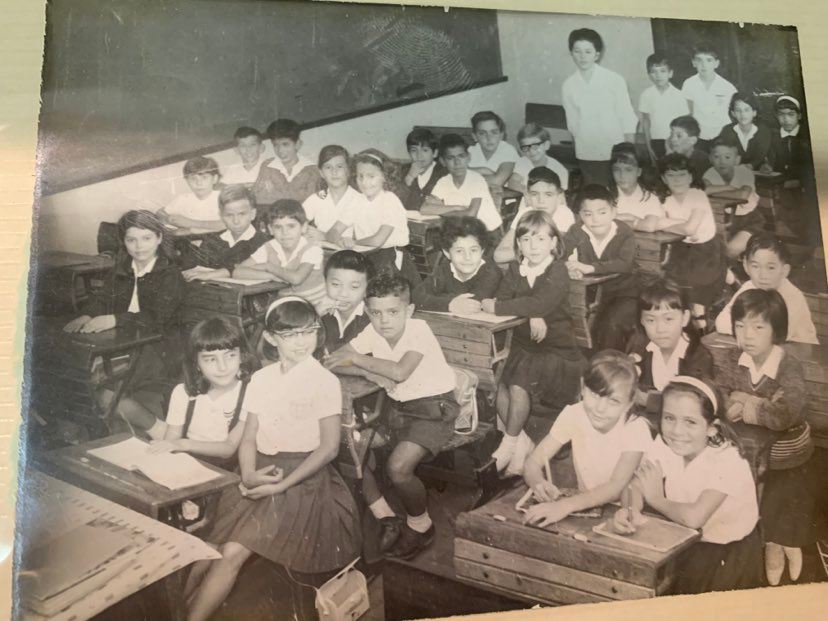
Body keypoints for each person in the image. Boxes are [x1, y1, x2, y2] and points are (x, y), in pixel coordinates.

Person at [186, 298, 361, 621]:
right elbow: (249, 435)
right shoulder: (262, 379)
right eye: (290, 335)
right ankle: (179, 611)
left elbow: (328, 449)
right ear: (270, 337)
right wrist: (249, 474)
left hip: (303, 479)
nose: (302, 342)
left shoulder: (324, 381)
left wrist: (279, 487)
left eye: (309, 332)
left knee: (231, 553)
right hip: (259, 468)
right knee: (207, 549)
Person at [325, 275, 459, 560]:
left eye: (393, 312)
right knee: (350, 447)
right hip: (396, 409)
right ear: (368, 310)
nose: (384, 321)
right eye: (375, 312)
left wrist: (360, 361)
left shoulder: (419, 330)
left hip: (434, 411)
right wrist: (367, 371)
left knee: (398, 469)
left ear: (409, 311)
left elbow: (399, 372)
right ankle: (386, 516)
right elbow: (335, 358)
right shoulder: (373, 332)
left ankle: (421, 525)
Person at [612, 376, 763, 594]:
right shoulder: (666, 444)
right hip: (687, 543)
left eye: (690, 422)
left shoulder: (727, 460)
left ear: (712, 428)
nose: (676, 431)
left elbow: (694, 517)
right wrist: (629, 510)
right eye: (669, 418)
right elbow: (635, 485)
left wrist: (655, 499)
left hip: (728, 555)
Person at [716, 289, 814, 586]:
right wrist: (753, 404)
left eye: (759, 327)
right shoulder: (732, 358)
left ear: (777, 330)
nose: (748, 335)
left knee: (784, 495)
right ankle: (764, 542)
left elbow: (785, 415)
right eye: (740, 326)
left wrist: (745, 401)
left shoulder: (788, 365)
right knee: (741, 488)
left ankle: (783, 542)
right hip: (749, 449)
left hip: (788, 452)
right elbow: (721, 399)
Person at [64, 210, 183, 440]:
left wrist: (115, 319)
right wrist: (87, 315)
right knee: (79, 376)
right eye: (131, 240)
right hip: (124, 343)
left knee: (104, 393)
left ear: (159, 238)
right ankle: (92, 434)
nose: (139, 247)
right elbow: (102, 298)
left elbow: (157, 319)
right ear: (124, 241)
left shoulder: (170, 274)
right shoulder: (123, 267)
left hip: (160, 348)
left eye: (146, 238)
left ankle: (160, 430)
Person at [481, 211, 585, 475]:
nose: (532, 246)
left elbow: (537, 301)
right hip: (525, 345)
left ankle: (509, 442)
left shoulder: (557, 270)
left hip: (557, 349)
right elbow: (513, 297)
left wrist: (520, 309)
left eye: (540, 239)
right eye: (525, 240)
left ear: (553, 243)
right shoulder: (517, 269)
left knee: (519, 383)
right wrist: (532, 313)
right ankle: (522, 439)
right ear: (518, 245)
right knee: (493, 379)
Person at [522, 351, 651, 526]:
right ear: (583, 387)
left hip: (628, 512)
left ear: (628, 404)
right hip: (586, 508)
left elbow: (615, 487)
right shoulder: (574, 414)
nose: (600, 408)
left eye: (613, 401)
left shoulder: (636, 428)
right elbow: (533, 462)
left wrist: (563, 506)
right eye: (595, 395)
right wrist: (538, 483)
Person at [652, 153, 726, 330]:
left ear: (691, 177)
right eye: (670, 175)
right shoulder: (666, 200)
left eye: (682, 174)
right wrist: (675, 225)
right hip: (681, 249)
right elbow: (659, 224)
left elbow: (690, 229)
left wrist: (665, 223)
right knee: (667, 280)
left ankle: (700, 318)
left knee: (694, 289)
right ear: (663, 178)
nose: (677, 180)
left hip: (707, 252)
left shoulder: (697, 196)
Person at [626, 279, 713, 428]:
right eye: (651, 320)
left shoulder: (698, 356)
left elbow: (692, 404)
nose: (660, 329)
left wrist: (647, 400)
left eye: (668, 319)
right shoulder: (638, 348)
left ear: (684, 318)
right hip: (644, 425)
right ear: (642, 321)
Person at [564, 184, 640, 352]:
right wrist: (568, 268)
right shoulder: (577, 230)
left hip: (624, 292)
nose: (595, 219)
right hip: (591, 295)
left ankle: (609, 366)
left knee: (611, 324)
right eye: (587, 214)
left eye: (602, 212)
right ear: (580, 215)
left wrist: (589, 268)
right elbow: (558, 256)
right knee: (573, 324)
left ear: (614, 211)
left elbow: (625, 263)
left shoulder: (624, 232)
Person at [561, 28, 637, 186]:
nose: (582, 57)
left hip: (615, 150)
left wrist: (629, 152)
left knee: (619, 194)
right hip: (587, 152)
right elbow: (573, 123)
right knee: (595, 195)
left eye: (588, 52)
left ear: (597, 54)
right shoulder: (568, 85)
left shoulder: (614, 80)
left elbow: (627, 116)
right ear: (571, 53)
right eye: (577, 51)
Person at [714, 233, 818, 344]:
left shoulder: (793, 296)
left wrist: (743, 327)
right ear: (746, 266)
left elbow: (778, 335)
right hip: (762, 349)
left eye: (771, 268)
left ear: (784, 270)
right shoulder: (749, 287)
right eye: (755, 266)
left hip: (800, 353)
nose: (763, 275)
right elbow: (721, 323)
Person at [233, 199, 329, 312]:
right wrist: (271, 276)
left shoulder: (312, 249)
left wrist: (268, 267)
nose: (285, 233)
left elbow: (296, 278)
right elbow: (237, 271)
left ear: (303, 227)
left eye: (291, 226)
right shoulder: (269, 247)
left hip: (316, 309)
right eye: (278, 227)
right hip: (286, 309)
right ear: (270, 229)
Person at [349, 148, 419, 285]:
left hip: (390, 260)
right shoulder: (358, 200)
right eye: (360, 176)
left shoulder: (390, 200)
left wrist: (353, 243)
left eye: (371, 176)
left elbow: (377, 240)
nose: (364, 182)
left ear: (384, 176)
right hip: (367, 255)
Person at [180, 185, 269, 282]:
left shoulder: (265, 243)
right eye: (229, 215)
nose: (236, 221)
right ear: (221, 216)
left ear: (252, 214)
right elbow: (196, 269)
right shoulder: (212, 240)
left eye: (242, 214)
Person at [413, 216, 502, 312]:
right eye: (459, 251)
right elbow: (416, 296)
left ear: (482, 251)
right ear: (447, 253)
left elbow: (472, 304)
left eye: (473, 250)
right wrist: (449, 304)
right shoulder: (445, 268)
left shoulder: (491, 272)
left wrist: (439, 298)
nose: (467, 257)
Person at [423, 134, 503, 233]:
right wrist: (457, 208)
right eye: (450, 158)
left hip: (488, 232)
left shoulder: (476, 180)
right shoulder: (443, 181)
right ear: (443, 161)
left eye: (461, 156)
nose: (457, 162)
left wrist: (442, 210)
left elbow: (471, 214)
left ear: (468, 158)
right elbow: (424, 208)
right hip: (462, 229)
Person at [494, 167, 574, 264]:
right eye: (535, 194)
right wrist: (530, 251)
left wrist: (523, 250)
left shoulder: (563, 214)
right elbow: (498, 255)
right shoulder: (526, 212)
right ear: (527, 196)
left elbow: (555, 250)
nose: (541, 201)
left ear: (559, 196)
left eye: (548, 194)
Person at [702, 138, 763, 260]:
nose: (722, 161)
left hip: (749, 220)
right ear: (710, 159)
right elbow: (704, 191)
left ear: (737, 160)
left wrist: (715, 190)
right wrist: (729, 187)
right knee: (710, 251)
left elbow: (743, 195)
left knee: (729, 250)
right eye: (717, 156)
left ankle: (731, 274)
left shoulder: (745, 173)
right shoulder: (709, 173)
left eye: (727, 157)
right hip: (722, 218)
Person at [303, 144, 364, 245]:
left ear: (348, 170)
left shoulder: (358, 199)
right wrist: (303, 232)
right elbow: (295, 221)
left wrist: (323, 236)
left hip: (350, 254)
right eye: (328, 167)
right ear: (321, 173)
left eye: (339, 166)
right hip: (320, 252)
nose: (334, 172)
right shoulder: (317, 198)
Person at [680, 45, 737, 150]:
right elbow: (688, 113)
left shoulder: (727, 87)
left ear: (716, 63)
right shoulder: (689, 84)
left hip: (722, 136)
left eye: (709, 60)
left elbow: (734, 115)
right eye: (699, 60)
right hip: (699, 137)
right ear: (693, 63)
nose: (704, 65)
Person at [253, 119, 322, 205]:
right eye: (276, 145)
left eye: (285, 144)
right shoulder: (267, 166)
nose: (280, 150)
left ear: (298, 144)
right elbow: (257, 198)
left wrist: (273, 194)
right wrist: (298, 196)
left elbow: (313, 202)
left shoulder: (312, 169)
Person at [638, 54, 689, 161]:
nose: (658, 75)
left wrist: (682, 145)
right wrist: (649, 146)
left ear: (670, 73)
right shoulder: (646, 95)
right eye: (653, 72)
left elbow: (684, 124)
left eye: (662, 71)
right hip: (656, 141)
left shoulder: (679, 95)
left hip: (675, 141)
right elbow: (646, 122)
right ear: (649, 75)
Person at [321, 250, 372, 353]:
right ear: (325, 283)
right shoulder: (320, 313)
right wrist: (315, 316)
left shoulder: (372, 319)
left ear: (367, 289)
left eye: (354, 287)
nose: (343, 294)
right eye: (335, 284)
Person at [156, 156, 223, 232]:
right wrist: (168, 218)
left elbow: (227, 224)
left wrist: (189, 223)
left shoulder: (223, 197)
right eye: (193, 178)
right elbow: (160, 213)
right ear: (187, 181)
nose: (199, 183)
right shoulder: (183, 199)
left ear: (215, 179)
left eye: (204, 177)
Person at [609, 143, 664, 230]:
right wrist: (633, 219)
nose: (622, 175)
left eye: (628, 170)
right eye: (616, 170)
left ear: (639, 171)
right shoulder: (605, 195)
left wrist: (627, 217)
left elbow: (649, 226)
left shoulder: (649, 198)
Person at [717, 92, 773, 170]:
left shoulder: (763, 131)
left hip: (758, 172)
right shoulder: (727, 131)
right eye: (738, 110)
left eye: (746, 110)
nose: (742, 114)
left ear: (754, 112)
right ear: (733, 113)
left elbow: (761, 157)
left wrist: (751, 166)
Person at [507, 123, 569, 192]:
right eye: (525, 147)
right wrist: (529, 192)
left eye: (535, 146)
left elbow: (561, 193)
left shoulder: (558, 168)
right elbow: (513, 182)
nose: (531, 151)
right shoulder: (523, 162)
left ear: (546, 145)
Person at [399, 128, 447, 211]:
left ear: (435, 153)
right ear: (409, 153)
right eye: (414, 150)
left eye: (425, 150)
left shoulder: (444, 173)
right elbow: (393, 201)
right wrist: (409, 178)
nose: (419, 155)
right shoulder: (403, 171)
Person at [467, 111, 518, 187]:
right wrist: (484, 170)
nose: (489, 138)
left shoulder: (508, 150)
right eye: (482, 133)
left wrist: (469, 174)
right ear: (475, 136)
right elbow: (454, 175)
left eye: (494, 132)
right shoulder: (471, 151)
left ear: (501, 135)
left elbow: (497, 182)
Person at [665, 115, 711, 184]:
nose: (672, 139)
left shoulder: (704, 160)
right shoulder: (668, 156)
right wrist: (669, 157)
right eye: (671, 134)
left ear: (692, 140)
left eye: (679, 136)